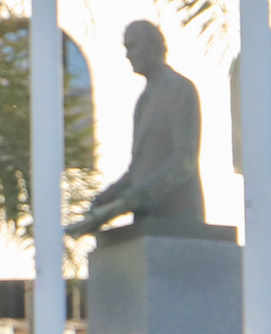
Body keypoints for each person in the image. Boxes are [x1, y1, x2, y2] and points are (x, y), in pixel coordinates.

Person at [68, 22, 205, 239]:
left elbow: (184, 161)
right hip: (147, 223)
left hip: (178, 221)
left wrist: (137, 196)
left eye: (132, 46)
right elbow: (139, 169)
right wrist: (108, 197)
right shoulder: (144, 100)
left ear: (154, 46)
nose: (127, 55)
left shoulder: (179, 89)